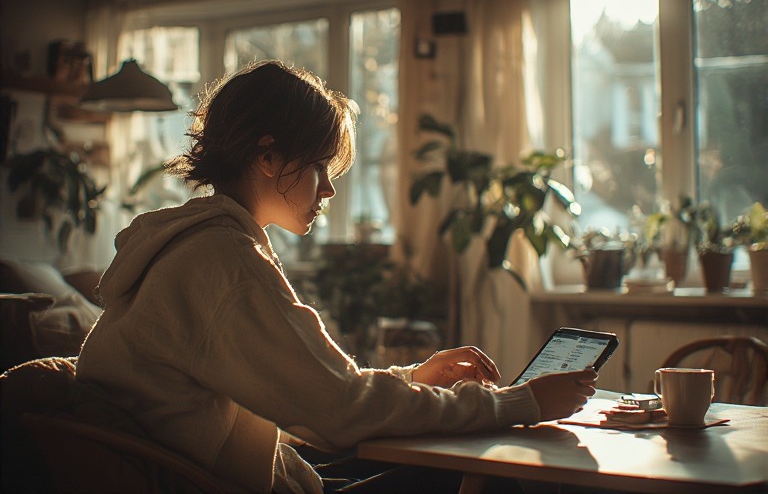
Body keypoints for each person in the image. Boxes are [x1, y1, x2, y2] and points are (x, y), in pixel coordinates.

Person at [75, 59, 597, 493]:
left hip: (231, 471)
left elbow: (311, 392)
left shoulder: (196, 245)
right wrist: (518, 402)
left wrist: (413, 378)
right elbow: (338, 412)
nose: (327, 190)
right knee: (496, 473)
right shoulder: (223, 260)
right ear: (268, 155)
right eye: (320, 166)